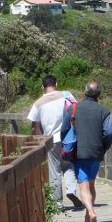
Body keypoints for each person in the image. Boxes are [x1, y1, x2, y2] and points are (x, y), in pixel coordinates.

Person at [62, 81, 112, 222]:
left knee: (83, 185)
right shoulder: (104, 111)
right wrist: (103, 147)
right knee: (91, 184)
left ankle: (91, 212)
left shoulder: (73, 108)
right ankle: (87, 215)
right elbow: (109, 133)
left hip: (79, 152)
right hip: (96, 152)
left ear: (84, 93)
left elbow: (64, 129)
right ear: (99, 95)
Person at [27, 75, 81, 208]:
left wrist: (37, 141)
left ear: (42, 87)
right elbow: (76, 110)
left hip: (50, 140)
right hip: (68, 138)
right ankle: (71, 190)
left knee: (54, 170)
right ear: (56, 84)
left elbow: (35, 126)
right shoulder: (66, 95)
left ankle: (57, 202)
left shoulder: (38, 103)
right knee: (68, 165)